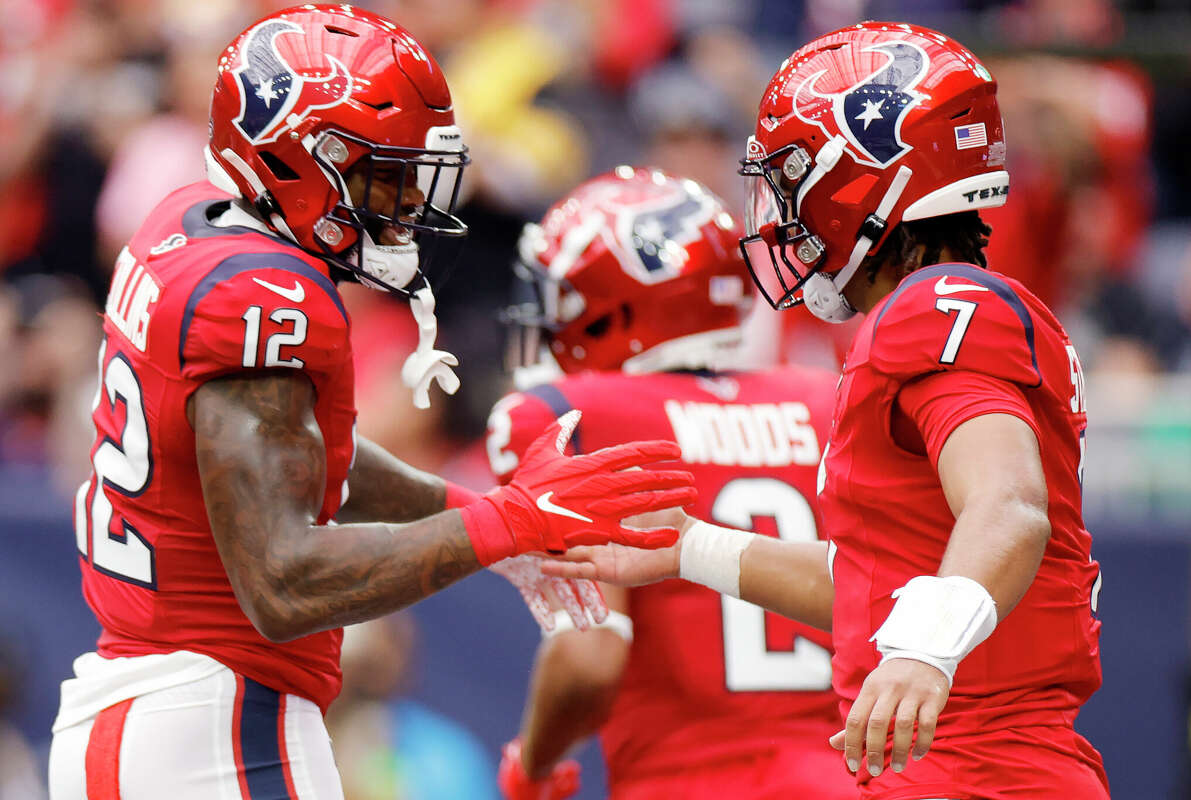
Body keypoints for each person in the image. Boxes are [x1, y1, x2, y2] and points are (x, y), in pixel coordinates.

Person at [47, 6, 696, 798]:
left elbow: (316, 467)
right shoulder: (264, 295)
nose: (407, 203)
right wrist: (505, 524)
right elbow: (286, 584)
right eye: (383, 173)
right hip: (212, 720)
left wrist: (497, 522)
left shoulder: (190, 226)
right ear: (299, 158)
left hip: (162, 707)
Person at [542, 21, 1109, 800]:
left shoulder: (933, 304)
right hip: (974, 760)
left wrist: (924, 653)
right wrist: (689, 547)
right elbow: (877, 584)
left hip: (973, 766)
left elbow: (1010, 507)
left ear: (867, 177)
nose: (783, 212)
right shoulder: (946, 309)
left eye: (794, 178)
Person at [488, 167, 853, 800]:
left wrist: (533, 767)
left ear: (615, 306)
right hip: (858, 779)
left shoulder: (567, 415)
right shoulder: (833, 401)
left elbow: (589, 657)